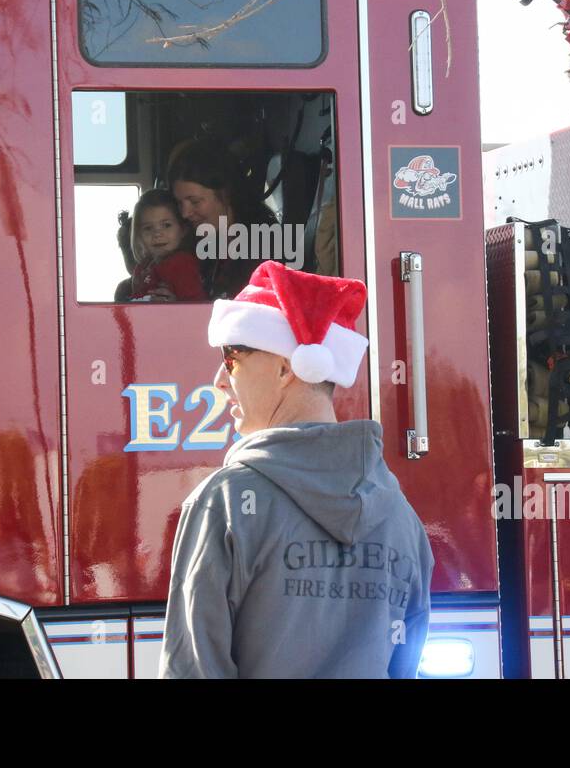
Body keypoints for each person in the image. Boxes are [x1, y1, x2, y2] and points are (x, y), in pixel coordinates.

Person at [158, 261, 434, 678]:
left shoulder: (226, 503)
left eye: (231, 357)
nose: (219, 379)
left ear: (286, 368)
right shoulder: (400, 515)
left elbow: (192, 669)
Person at [164, 142, 280, 301]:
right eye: (179, 203)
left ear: (225, 193)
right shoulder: (198, 246)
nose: (185, 213)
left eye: (195, 202)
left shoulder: (266, 244)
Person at [127, 189, 206, 302]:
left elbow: (197, 306)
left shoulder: (182, 263)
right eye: (148, 228)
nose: (157, 234)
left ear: (183, 229)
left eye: (166, 225)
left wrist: (174, 305)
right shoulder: (143, 267)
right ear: (139, 234)